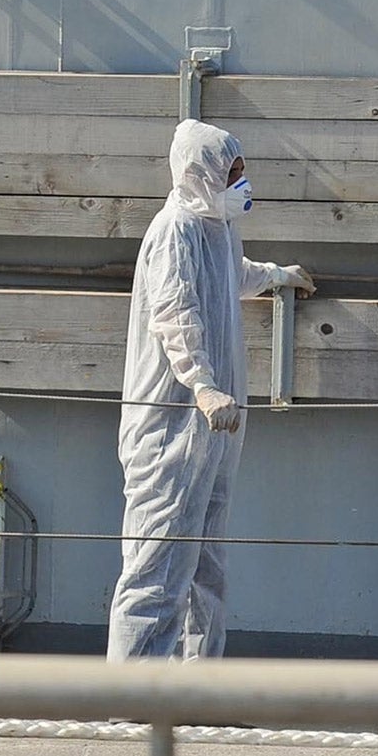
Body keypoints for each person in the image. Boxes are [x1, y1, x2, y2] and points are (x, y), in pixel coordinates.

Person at [108, 119, 313, 659]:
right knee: (156, 565)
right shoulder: (172, 231)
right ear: (202, 174)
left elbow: (229, 275)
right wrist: (201, 385)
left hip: (214, 430)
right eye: (232, 174)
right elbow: (175, 312)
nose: (241, 185)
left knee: (206, 570)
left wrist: (276, 275)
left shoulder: (215, 228)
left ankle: (197, 693)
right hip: (171, 427)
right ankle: (133, 703)